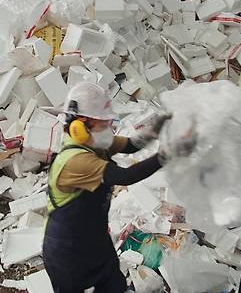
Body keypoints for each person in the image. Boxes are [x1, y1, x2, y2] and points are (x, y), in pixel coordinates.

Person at [42, 82, 172, 293]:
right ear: (81, 126)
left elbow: (131, 145)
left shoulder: (94, 142)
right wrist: (166, 155)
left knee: (113, 286)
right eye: (103, 123)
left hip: (96, 240)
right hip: (67, 250)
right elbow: (125, 176)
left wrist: (158, 126)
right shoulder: (74, 160)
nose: (109, 128)